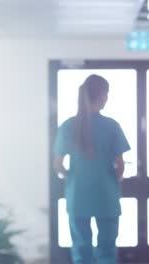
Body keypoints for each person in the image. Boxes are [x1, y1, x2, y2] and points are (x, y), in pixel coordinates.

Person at [53, 74, 130, 264]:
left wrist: (72, 177)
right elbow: (120, 166)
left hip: (78, 195)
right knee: (106, 250)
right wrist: (112, 179)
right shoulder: (111, 126)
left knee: (81, 249)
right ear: (103, 95)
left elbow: (58, 164)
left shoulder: (68, 125)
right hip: (106, 195)